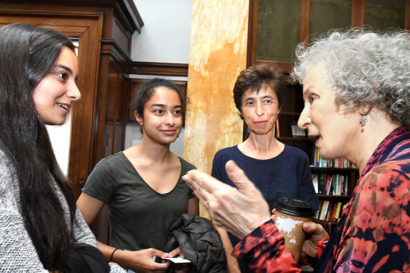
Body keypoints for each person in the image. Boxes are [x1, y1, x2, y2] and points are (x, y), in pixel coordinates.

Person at [182, 29, 410, 272]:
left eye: (313, 98)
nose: (302, 120)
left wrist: (258, 237)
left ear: (363, 99)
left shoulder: (389, 182)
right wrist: (326, 245)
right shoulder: (393, 165)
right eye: (250, 103)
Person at [0, 23, 124, 272]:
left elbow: (86, 246)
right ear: (18, 74)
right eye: (62, 75)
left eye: (75, 79)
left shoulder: (36, 159)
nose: (76, 93)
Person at [77, 78, 199, 272]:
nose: (170, 120)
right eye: (159, 111)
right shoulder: (111, 169)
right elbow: (71, 233)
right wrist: (124, 257)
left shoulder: (189, 173)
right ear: (139, 116)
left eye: (177, 112)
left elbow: (192, 233)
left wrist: (186, 252)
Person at [211, 64, 318, 272]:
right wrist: (233, 267)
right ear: (241, 111)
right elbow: (218, 222)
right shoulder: (224, 159)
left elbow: (304, 219)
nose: (259, 112)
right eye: (250, 103)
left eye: (267, 101)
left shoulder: (298, 159)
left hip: (283, 266)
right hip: (235, 264)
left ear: (278, 107)